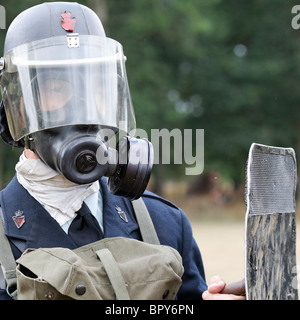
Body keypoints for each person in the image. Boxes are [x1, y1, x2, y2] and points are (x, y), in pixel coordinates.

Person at [0, 2, 244, 300]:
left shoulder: (164, 224)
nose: (83, 111)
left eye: (96, 89)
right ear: (18, 112)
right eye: (56, 89)